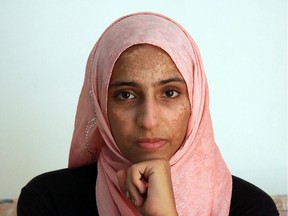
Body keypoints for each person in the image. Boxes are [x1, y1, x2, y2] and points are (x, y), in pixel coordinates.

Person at [17, 12, 279, 216]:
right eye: (126, 95)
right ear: (100, 103)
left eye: (170, 93)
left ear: (195, 101)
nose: (148, 121)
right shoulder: (49, 200)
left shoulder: (250, 208)